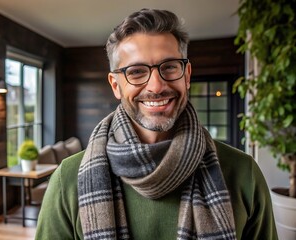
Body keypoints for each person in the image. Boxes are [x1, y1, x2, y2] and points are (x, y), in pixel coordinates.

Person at [35, 9, 278, 240]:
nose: (156, 86)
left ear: (187, 75)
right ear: (116, 85)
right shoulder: (67, 180)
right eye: (137, 71)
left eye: (170, 67)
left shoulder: (243, 173)